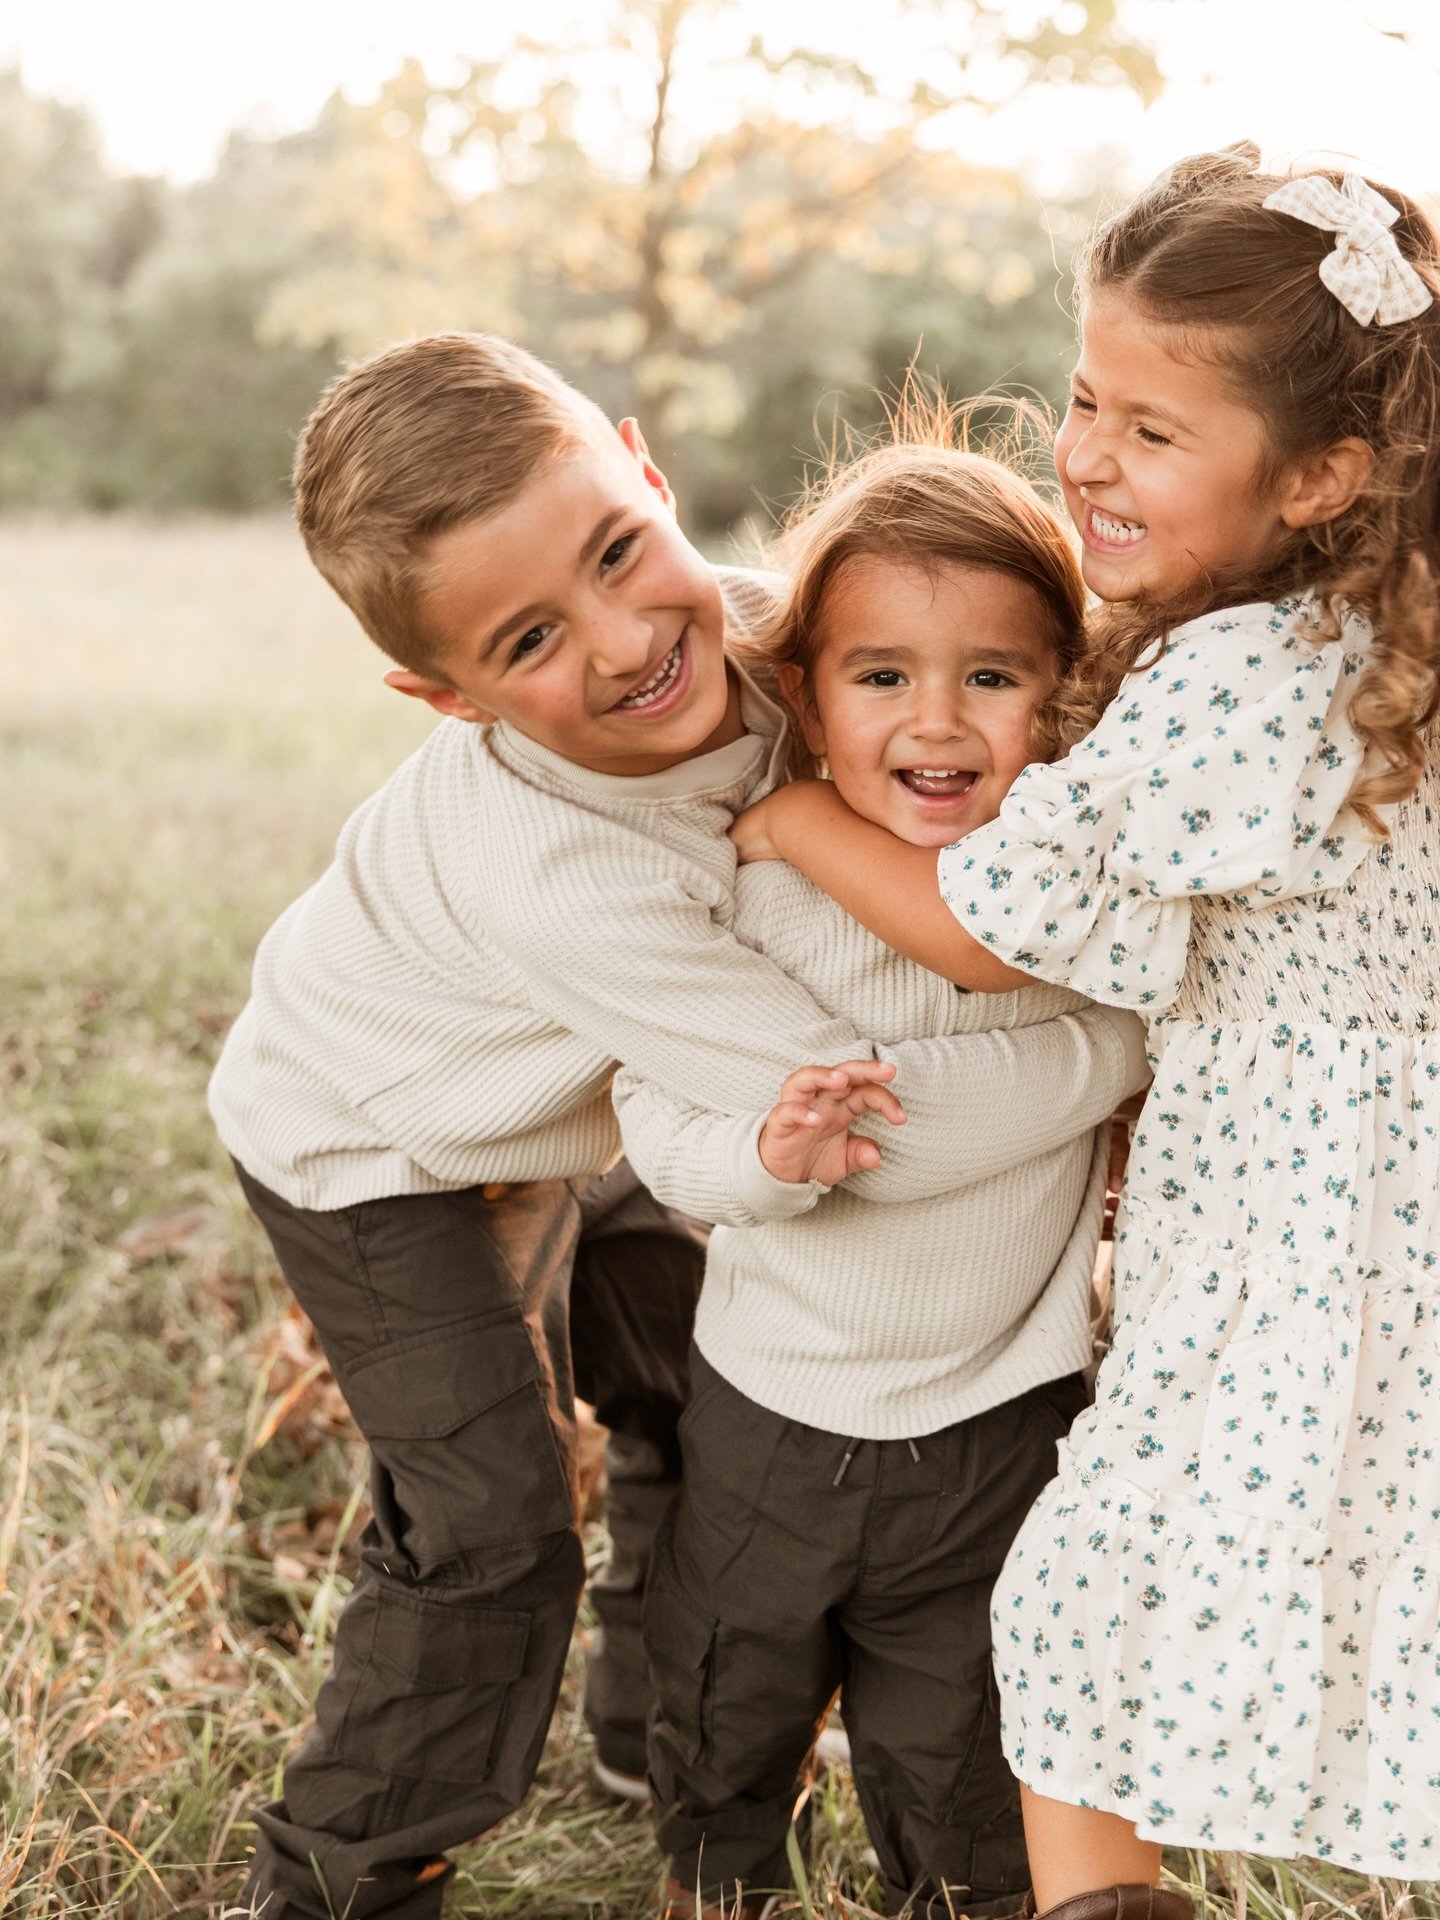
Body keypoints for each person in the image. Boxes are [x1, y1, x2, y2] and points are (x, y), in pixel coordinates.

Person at [209, 332, 1146, 1920]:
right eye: (531, 637)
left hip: (591, 1098)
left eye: (620, 550)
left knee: (670, 1380)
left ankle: (655, 1730)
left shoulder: (784, 635)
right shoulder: (571, 878)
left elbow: (971, 672)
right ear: (446, 698)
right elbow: (858, 1119)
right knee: (494, 1526)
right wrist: (1127, 1054)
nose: (633, 635)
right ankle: (337, 1884)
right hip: (364, 1140)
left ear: (646, 471)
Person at [729, 145, 1440, 1915]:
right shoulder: (1385, 651)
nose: (1087, 456)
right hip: (1391, 1227)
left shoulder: (1235, 683)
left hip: (1300, 1250)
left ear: (1329, 471)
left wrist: (789, 818)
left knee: (1086, 1616)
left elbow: (984, 930)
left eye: (1152, 428)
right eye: (1083, 397)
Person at [613, 431, 1152, 1920]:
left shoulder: (1071, 908)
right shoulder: (763, 892)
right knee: (728, 1703)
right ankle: (714, 1888)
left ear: (1063, 695)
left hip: (997, 1418)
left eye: (993, 676)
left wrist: (885, 1124)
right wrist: (770, 1156)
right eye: (882, 676)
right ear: (804, 690)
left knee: (959, 1747)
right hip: (772, 1413)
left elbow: (1106, 1053)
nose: (941, 720)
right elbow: (660, 1120)